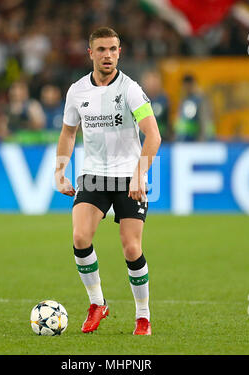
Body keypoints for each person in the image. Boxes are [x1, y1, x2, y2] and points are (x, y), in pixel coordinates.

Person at [55, 27, 161, 335]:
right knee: (80, 238)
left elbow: (153, 134)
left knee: (131, 248)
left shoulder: (130, 90)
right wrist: (59, 172)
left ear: (120, 52)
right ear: (90, 53)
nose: (108, 55)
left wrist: (140, 175)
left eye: (113, 49)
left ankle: (143, 316)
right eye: (101, 49)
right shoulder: (77, 91)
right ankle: (97, 303)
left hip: (128, 177)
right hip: (93, 176)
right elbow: (68, 133)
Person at [174, 74, 214, 141]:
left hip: (196, 141)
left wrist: (201, 140)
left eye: (185, 86)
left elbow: (204, 120)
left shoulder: (200, 100)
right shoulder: (185, 99)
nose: (184, 88)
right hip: (184, 141)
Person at [140, 70, 172, 142]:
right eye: (150, 81)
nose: (153, 84)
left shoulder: (164, 99)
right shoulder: (139, 99)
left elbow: (168, 121)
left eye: (155, 81)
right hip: (142, 140)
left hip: (162, 140)